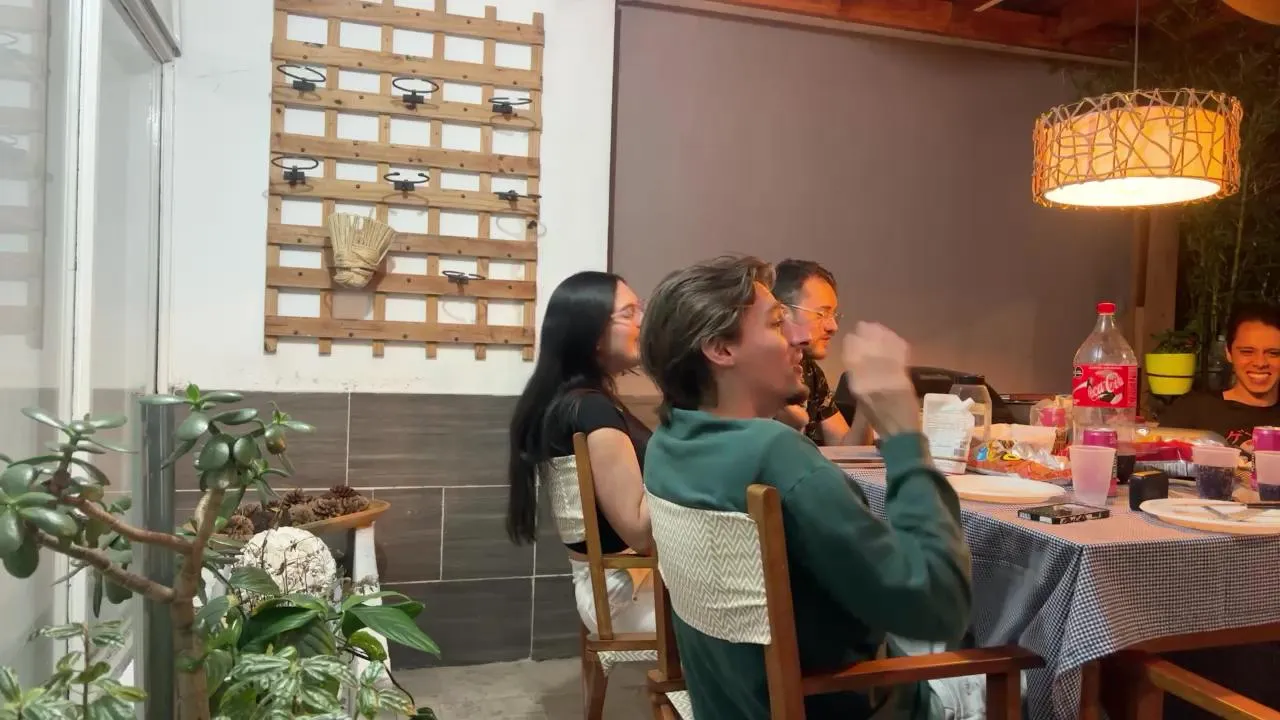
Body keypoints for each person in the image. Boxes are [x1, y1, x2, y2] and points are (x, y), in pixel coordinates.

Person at [640, 255, 971, 720]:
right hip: (854, 706)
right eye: (777, 323)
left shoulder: (666, 444)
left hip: (731, 704)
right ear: (720, 349)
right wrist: (904, 435)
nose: (799, 337)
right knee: (1028, 674)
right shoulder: (775, 455)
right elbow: (938, 607)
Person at [506, 271, 654, 634]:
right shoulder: (591, 410)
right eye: (629, 312)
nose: (642, 321)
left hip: (611, 588)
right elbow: (639, 532)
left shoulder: (576, 402)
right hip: (624, 592)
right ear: (593, 333)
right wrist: (687, 458)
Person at [771, 259, 870, 446]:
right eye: (822, 314)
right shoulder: (752, 374)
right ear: (782, 314)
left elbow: (846, 451)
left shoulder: (810, 371)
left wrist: (868, 404)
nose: (833, 327)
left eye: (833, 315)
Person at [1159, 302, 1280, 447]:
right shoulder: (1192, 411)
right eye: (1247, 352)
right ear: (1228, 353)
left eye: (1274, 353)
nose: (1260, 363)